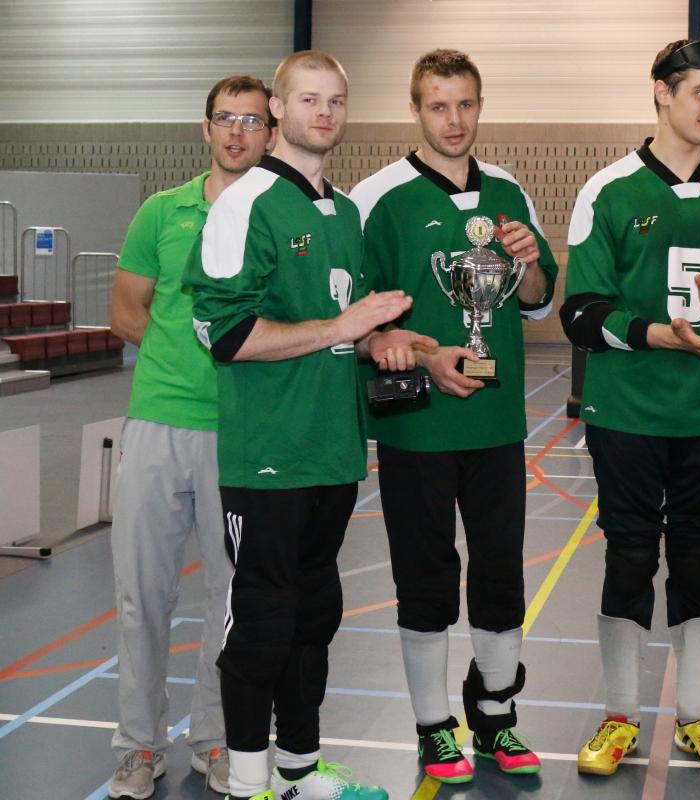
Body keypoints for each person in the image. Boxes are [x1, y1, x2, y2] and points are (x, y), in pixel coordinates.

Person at [187, 50, 417, 800]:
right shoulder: (244, 202)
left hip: (335, 454)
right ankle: (247, 778)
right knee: (261, 620)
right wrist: (340, 325)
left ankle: (298, 769)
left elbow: (339, 335)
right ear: (277, 109)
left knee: (314, 618)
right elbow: (221, 335)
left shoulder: (344, 212)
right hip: (269, 458)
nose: (325, 113)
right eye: (308, 99)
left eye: (337, 101)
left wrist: (374, 342)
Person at [562, 38, 700, 778]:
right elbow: (581, 311)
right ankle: (621, 715)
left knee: (698, 558)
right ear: (661, 92)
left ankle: (696, 718)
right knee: (628, 555)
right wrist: (663, 335)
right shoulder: (610, 190)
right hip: (627, 413)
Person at [350, 48, 557, 784]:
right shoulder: (377, 198)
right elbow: (356, 320)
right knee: (426, 578)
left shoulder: (507, 191)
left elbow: (537, 300)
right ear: (415, 109)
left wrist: (530, 260)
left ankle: (497, 714)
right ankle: (434, 726)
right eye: (439, 106)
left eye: (466, 104)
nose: (455, 120)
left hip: (498, 425)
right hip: (418, 425)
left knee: (501, 575)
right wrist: (417, 350)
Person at [107, 74, 274, 800]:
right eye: (225, 119)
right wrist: (187, 359)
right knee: (141, 594)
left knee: (230, 599)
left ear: (271, 133)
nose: (239, 132)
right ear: (205, 130)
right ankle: (139, 748)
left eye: (253, 121)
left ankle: (214, 739)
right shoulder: (161, 211)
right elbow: (124, 311)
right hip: (156, 423)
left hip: (240, 436)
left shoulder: (278, 217)